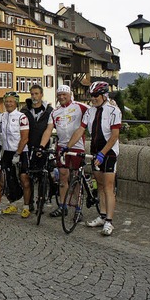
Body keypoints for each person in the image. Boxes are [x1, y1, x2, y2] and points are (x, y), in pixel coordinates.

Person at [65, 81, 122, 236]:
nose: (93, 98)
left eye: (96, 95)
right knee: (101, 186)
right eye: (91, 96)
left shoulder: (114, 110)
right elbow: (80, 130)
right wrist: (67, 146)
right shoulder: (89, 112)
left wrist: (103, 153)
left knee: (109, 187)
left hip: (109, 152)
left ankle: (109, 221)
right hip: (95, 150)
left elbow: (115, 136)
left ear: (104, 95)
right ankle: (102, 216)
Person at [39, 85, 88, 218]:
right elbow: (49, 130)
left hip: (77, 146)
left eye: (64, 95)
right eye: (59, 95)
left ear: (70, 94)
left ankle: (78, 208)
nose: (61, 97)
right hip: (61, 146)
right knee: (63, 176)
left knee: (77, 177)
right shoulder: (55, 112)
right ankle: (63, 206)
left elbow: (94, 115)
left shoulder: (81, 107)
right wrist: (41, 146)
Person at [20, 84, 53, 212]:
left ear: (41, 95)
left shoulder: (49, 111)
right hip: (27, 147)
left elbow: (50, 129)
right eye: (32, 94)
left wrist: (43, 147)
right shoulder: (24, 111)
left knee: (41, 175)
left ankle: (41, 200)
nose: (34, 96)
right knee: (26, 175)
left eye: (36, 94)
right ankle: (29, 202)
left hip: (42, 146)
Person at [0, 91, 33, 218]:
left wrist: (18, 153)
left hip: (21, 152)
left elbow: (24, 138)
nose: (8, 103)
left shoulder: (21, 117)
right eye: (6, 101)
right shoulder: (2, 116)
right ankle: (12, 203)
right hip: (7, 151)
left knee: (24, 179)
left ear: (16, 103)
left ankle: (26, 206)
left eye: (11, 101)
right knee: (9, 179)